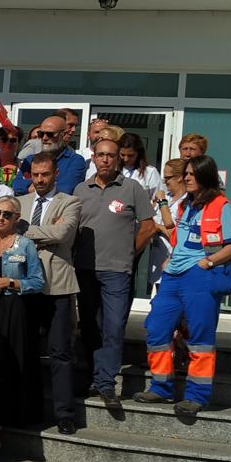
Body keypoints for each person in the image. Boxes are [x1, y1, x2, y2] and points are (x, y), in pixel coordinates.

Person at [135, 156, 231, 417]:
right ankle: (161, 387)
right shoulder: (186, 206)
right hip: (173, 275)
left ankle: (196, 396)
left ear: (205, 176)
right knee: (157, 328)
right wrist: (172, 257)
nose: (187, 178)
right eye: (187, 174)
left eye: (192, 174)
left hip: (200, 277)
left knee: (200, 338)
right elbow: (179, 235)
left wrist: (207, 262)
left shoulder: (221, 205)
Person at [73, 138, 157, 408]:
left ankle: (107, 383)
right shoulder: (80, 189)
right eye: (101, 155)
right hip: (85, 269)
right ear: (94, 158)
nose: (106, 159)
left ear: (119, 159)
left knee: (113, 326)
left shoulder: (132, 188)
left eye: (111, 155)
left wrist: (130, 254)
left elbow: (148, 226)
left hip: (117, 271)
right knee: (89, 327)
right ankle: (92, 377)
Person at [0, 196, 45, 455]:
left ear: (16, 219)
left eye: (7, 214)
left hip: (14, 311)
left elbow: (38, 282)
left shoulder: (25, 245)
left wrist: (9, 283)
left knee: (4, 369)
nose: (1, 218)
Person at [16, 152, 83, 436]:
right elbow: (9, 232)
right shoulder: (19, 203)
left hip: (58, 286)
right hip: (25, 286)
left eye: (46, 174)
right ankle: (28, 410)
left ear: (55, 174)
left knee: (60, 352)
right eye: (36, 174)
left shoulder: (70, 202)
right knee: (27, 351)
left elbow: (63, 235)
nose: (41, 179)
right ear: (29, 175)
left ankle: (65, 414)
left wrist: (27, 230)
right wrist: (46, 231)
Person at [12, 114, 87, 196]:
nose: (44, 138)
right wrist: (48, 186)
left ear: (63, 135)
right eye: (41, 134)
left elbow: (66, 189)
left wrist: (33, 187)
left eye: (50, 134)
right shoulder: (30, 159)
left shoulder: (75, 161)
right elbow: (16, 185)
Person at [150, 157, 189, 291]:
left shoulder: (187, 201)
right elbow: (150, 221)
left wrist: (162, 202)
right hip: (159, 256)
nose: (165, 182)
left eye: (168, 178)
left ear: (179, 178)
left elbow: (171, 228)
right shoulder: (165, 196)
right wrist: (158, 227)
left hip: (177, 259)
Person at [119, 132, 163, 198]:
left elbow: (158, 197)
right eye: (122, 155)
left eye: (131, 155)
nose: (126, 159)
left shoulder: (150, 172)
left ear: (138, 153)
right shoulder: (113, 169)